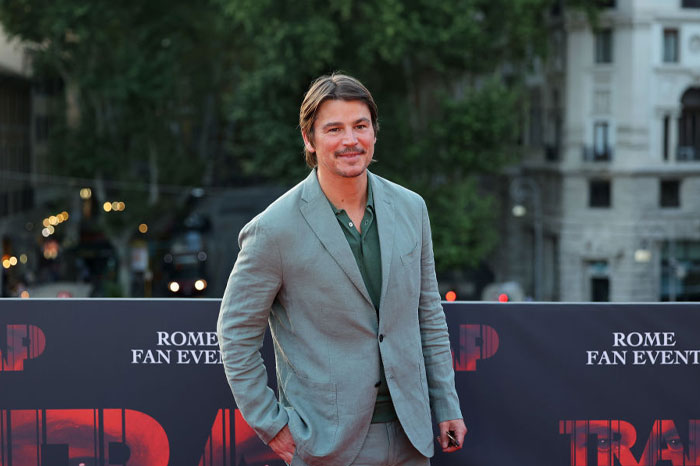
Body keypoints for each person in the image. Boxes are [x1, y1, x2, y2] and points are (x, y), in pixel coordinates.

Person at [217, 73, 467, 466]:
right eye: (334, 129)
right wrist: (271, 424)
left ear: (373, 133)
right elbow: (235, 334)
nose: (350, 140)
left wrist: (446, 402)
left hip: (411, 435)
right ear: (309, 139)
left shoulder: (411, 208)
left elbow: (428, 314)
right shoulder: (273, 229)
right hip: (326, 444)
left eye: (360, 126)